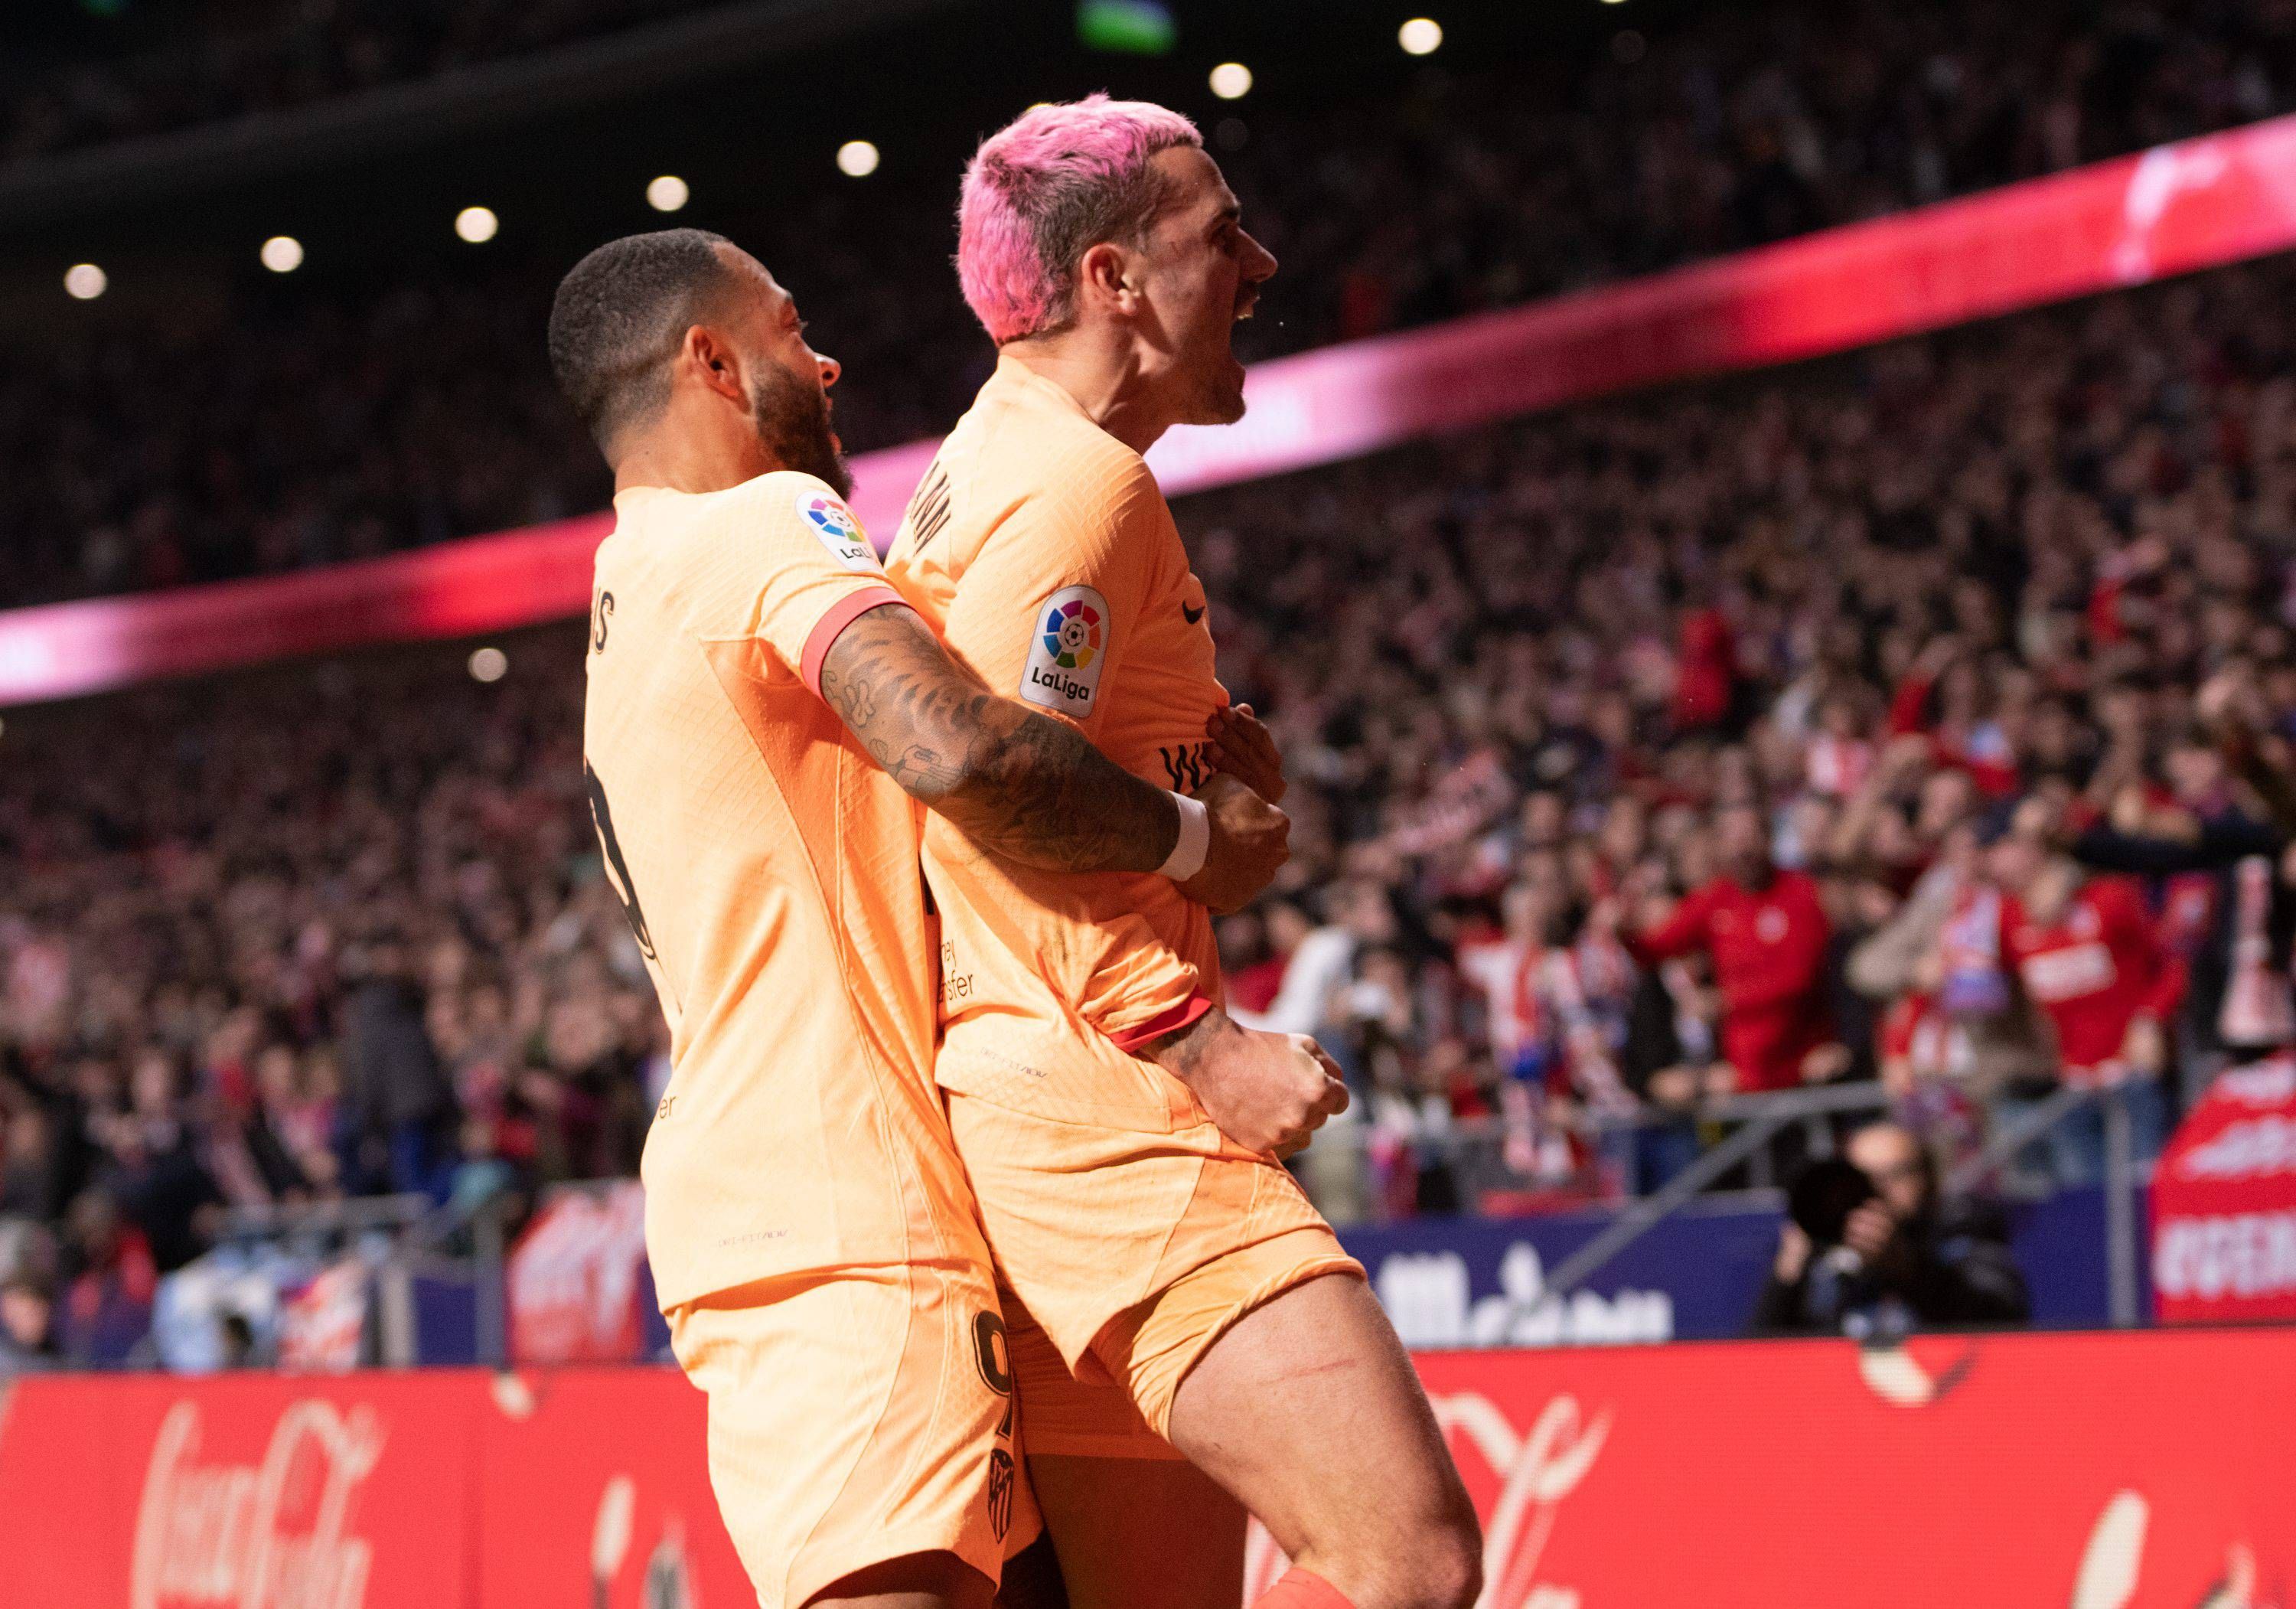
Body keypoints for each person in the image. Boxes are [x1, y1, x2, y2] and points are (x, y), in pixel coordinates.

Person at [550, 228, 1312, 1609]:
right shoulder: (756, 523)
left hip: (822, 1208)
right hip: (848, 1220)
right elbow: (961, 747)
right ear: (709, 361)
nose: (826, 355)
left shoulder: (625, 587)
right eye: (789, 328)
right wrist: (1197, 846)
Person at [884, 99, 1478, 1609]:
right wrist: (1194, 1035)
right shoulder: (1080, 488)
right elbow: (995, 795)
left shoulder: (993, 462)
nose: (1264, 262)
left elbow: (1043, 770)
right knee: (1402, 1558)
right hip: (1111, 1114)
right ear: (1115, 281)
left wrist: (1207, 830)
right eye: (1222, 237)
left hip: (1021, 1125)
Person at [1753, 1120, 2029, 1339]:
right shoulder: (1826, 1264)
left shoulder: (1963, 1234)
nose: (1879, 1190)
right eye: (1863, 1179)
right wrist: (1787, 1277)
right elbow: (1757, 1364)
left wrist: (1907, 1268)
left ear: (1930, 1181)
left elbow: (2001, 1325)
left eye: (1895, 1174)